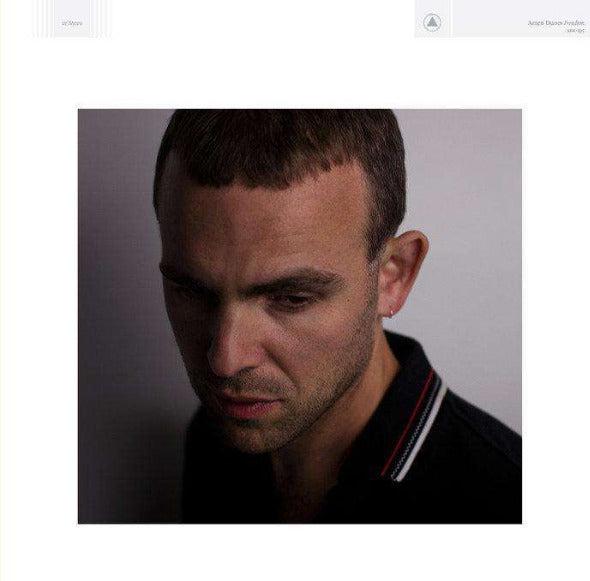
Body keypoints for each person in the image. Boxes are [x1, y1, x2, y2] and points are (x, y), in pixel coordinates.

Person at [153, 109, 521, 524]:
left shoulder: (509, 505)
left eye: (291, 299)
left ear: (392, 276)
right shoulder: (214, 440)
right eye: (191, 291)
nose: (225, 361)